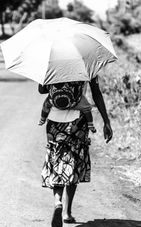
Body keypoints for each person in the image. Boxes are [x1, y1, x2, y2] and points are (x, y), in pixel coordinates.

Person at [39, 76, 113, 227]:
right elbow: (96, 93)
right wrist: (106, 121)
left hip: (54, 121)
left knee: (57, 160)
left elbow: (42, 90)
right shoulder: (86, 63)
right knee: (73, 162)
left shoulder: (51, 62)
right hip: (78, 121)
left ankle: (57, 201)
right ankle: (67, 212)